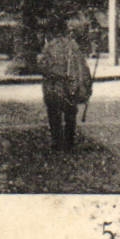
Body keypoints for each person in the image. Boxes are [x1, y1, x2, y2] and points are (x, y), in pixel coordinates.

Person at [38, 19, 93, 151]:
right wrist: (87, 85)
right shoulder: (73, 46)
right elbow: (82, 67)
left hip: (53, 85)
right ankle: (69, 142)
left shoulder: (49, 46)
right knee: (70, 114)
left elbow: (43, 66)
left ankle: (56, 142)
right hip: (70, 85)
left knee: (54, 114)